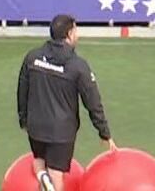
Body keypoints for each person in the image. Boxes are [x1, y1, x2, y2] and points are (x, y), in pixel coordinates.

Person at [18, 14, 115, 191]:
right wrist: (104, 133)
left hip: (36, 127)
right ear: (69, 34)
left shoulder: (32, 58)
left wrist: (24, 120)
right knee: (56, 174)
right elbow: (93, 102)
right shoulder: (78, 66)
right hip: (61, 132)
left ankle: (42, 178)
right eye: (76, 30)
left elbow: (22, 90)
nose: (77, 34)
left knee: (39, 162)